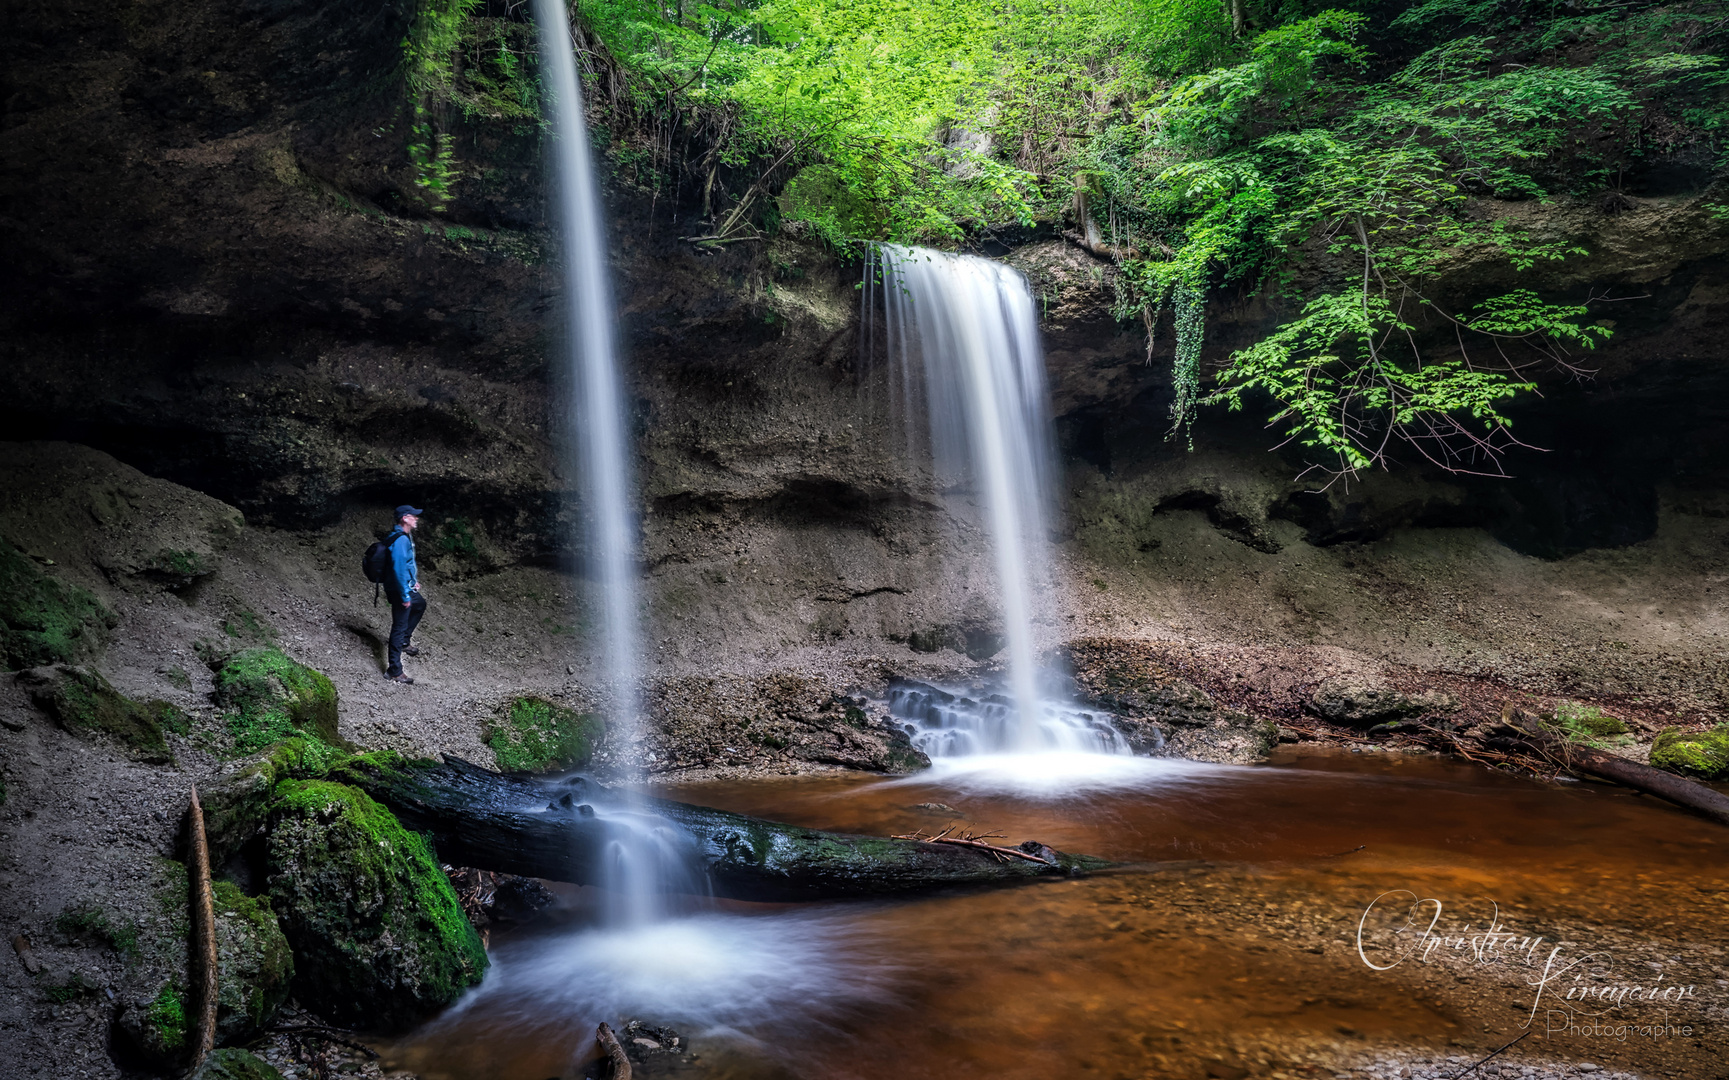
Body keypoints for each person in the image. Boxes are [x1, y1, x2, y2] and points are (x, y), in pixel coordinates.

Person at [384, 505, 427, 684]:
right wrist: (404, 596)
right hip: (398, 589)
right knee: (399, 625)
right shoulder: (401, 540)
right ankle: (394, 670)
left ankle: (404, 641)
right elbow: (398, 568)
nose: (416, 518)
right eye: (413, 516)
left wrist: (412, 580)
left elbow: (406, 566)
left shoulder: (404, 537)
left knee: (420, 604)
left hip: (404, 585)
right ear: (404, 518)